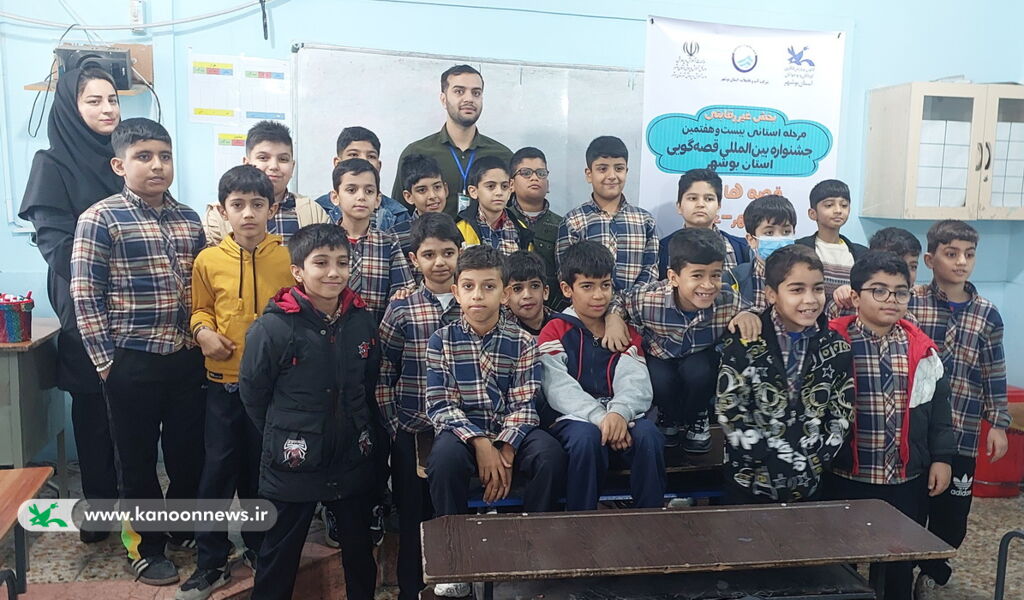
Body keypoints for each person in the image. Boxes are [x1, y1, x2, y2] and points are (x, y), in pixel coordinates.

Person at [70, 118, 207, 584]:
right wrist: (107, 364)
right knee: (137, 461)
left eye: (164, 156)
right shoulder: (100, 218)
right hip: (131, 361)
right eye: (144, 157)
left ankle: (181, 527)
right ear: (119, 165)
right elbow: (85, 295)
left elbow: (200, 286)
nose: (157, 166)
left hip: (186, 358)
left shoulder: (189, 219)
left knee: (188, 455)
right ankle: (145, 547)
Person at [239, 224, 381, 600]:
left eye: (342, 263)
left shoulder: (362, 320)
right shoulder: (273, 328)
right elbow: (254, 394)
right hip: (292, 461)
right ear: (298, 271)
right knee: (279, 555)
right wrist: (286, 432)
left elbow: (368, 381)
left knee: (359, 552)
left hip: (351, 455)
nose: (333, 272)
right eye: (321, 263)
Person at [177, 165, 295, 599]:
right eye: (238, 205)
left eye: (257, 204)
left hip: (273, 391)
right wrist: (202, 332)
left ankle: (261, 548)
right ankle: (211, 562)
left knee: (262, 474)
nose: (248, 213)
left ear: (272, 209)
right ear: (222, 210)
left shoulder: (288, 258)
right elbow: (199, 309)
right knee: (216, 473)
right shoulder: (208, 260)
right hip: (223, 385)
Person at [425, 245, 567, 598]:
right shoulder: (442, 340)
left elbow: (525, 403)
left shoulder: (522, 341)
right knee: (443, 460)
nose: (478, 295)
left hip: (512, 430)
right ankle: (455, 561)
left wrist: (505, 447)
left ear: (504, 294)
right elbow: (440, 404)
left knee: (550, 455)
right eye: (469, 287)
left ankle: (535, 551)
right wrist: (481, 444)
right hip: (463, 432)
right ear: (456, 292)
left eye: (488, 287)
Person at [17, 67, 121, 543]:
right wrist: (107, 278)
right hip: (82, 300)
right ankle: (99, 512)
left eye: (112, 99)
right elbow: (56, 245)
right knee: (93, 408)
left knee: (131, 407)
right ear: (70, 108)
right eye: (93, 101)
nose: (107, 109)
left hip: (134, 305)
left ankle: (139, 512)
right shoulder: (51, 163)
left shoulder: (126, 159)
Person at [825, 250, 955, 600]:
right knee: (840, 563)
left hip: (903, 479)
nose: (891, 299)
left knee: (898, 562)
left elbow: (939, 410)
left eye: (900, 292)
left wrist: (942, 458)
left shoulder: (922, 350)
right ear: (855, 297)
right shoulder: (833, 343)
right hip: (846, 476)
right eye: (879, 290)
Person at [909, 220, 1010, 599]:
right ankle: (899, 569)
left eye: (969, 254)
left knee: (952, 516)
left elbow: (993, 371)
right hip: (917, 432)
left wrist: (997, 423)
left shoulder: (987, 313)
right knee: (912, 506)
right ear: (930, 259)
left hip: (963, 433)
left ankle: (933, 571)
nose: (961, 262)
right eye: (951, 254)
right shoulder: (912, 301)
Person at [717, 245, 853, 504]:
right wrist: (765, 456)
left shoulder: (837, 347)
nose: (810, 299)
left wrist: (817, 457)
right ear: (771, 294)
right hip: (748, 483)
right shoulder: (745, 341)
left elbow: (842, 412)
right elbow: (730, 408)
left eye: (818, 289)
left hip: (809, 483)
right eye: (797, 290)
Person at [539, 240, 665, 510]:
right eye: (587, 286)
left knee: (649, 436)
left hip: (623, 416)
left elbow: (635, 381)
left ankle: (651, 519)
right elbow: (557, 387)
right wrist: (601, 418)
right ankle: (581, 522)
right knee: (586, 439)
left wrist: (619, 413)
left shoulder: (623, 330)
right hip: (574, 419)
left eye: (605, 285)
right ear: (567, 289)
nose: (598, 296)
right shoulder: (555, 330)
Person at [376, 213, 464, 600]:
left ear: (460, 252)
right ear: (414, 259)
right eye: (429, 254)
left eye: (448, 252)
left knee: (454, 514)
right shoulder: (402, 309)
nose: (440, 262)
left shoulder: (473, 304)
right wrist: (394, 424)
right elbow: (383, 370)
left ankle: (456, 584)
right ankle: (410, 590)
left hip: (461, 434)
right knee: (412, 516)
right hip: (412, 430)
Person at [613, 228, 760, 453]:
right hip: (660, 355)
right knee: (659, 377)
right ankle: (668, 417)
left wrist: (746, 314)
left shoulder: (726, 298)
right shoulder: (648, 299)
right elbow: (620, 300)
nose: (708, 285)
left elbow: (750, 309)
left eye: (715, 275)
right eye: (697, 275)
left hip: (699, 358)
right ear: (673, 277)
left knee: (699, 371)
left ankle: (696, 416)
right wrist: (614, 318)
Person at [392, 65, 512, 217]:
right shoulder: (416, 152)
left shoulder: (503, 155)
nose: (469, 99)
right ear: (444, 99)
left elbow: (512, 214)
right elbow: (399, 214)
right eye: (459, 91)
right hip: (431, 232)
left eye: (476, 93)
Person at [556, 136, 658, 297]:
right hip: (589, 308)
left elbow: (650, 270)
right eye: (602, 169)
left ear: (626, 171)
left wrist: (625, 305)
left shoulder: (645, 221)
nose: (612, 176)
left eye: (619, 168)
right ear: (589, 174)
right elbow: (565, 273)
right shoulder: (573, 222)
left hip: (634, 309)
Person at [204, 120, 330, 245]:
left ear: (292, 166)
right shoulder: (218, 215)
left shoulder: (312, 211)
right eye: (263, 158)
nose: (274, 166)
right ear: (247, 163)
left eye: (283, 159)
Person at [331, 158, 415, 322]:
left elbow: (404, 288)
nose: (361, 197)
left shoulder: (388, 243)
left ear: (377, 200)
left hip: (376, 330)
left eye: (369, 191)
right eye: (351, 190)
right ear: (335, 197)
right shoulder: (322, 242)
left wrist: (401, 294)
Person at [658, 168, 751, 278]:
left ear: (718, 206)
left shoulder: (741, 248)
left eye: (709, 199)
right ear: (679, 206)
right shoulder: (663, 248)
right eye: (693, 198)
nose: (700, 204)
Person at [314, 126, 411, 231]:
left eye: (371, 156)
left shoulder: (397, 214)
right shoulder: (317, 210)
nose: (363, 161)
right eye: (353, 154)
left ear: (379, 166)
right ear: (337, 163)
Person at [506, 147, 565, 310]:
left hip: (552, 310)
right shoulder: (501, 220)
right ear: (511, 184)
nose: (534, 178)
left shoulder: (563, 225)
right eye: (526, 173)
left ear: (548, 184)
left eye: (541, 173)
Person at [795, 179, 867, 302]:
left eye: (844, 205)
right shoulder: (799, 249)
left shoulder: (862, 254)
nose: (838, 210)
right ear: (813, 213)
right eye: (829, 205)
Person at [726, 194, 798, 312]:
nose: (778, 238)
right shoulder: (732, 279)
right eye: (769, 233)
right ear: (751, 240)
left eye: (786, 232)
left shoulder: (806, 276)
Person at [831, 227, 922, 318]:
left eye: (913, 267)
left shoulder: (918, 304)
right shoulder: (845, 305)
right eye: (896, 266)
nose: (906, 274)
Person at [456, 156, 534, 254]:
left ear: (510, 189)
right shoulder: (460, 228)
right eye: (491, 186)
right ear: (473, 191)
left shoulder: (521, 230)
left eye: (504, 186)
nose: (499, 192)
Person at [389, 153, 450, 259]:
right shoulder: (396, 237)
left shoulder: (454, 229)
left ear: (445, 189)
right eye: (422, 190)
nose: (432, 196)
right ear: (409, 197)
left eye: (437, 187)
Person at [505, 250, 553, 336]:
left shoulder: (563, 326)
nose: (527, 295)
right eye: (517, 288)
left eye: (534, 286)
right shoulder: (501, 333)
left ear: (545, 292)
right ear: (505, 296)